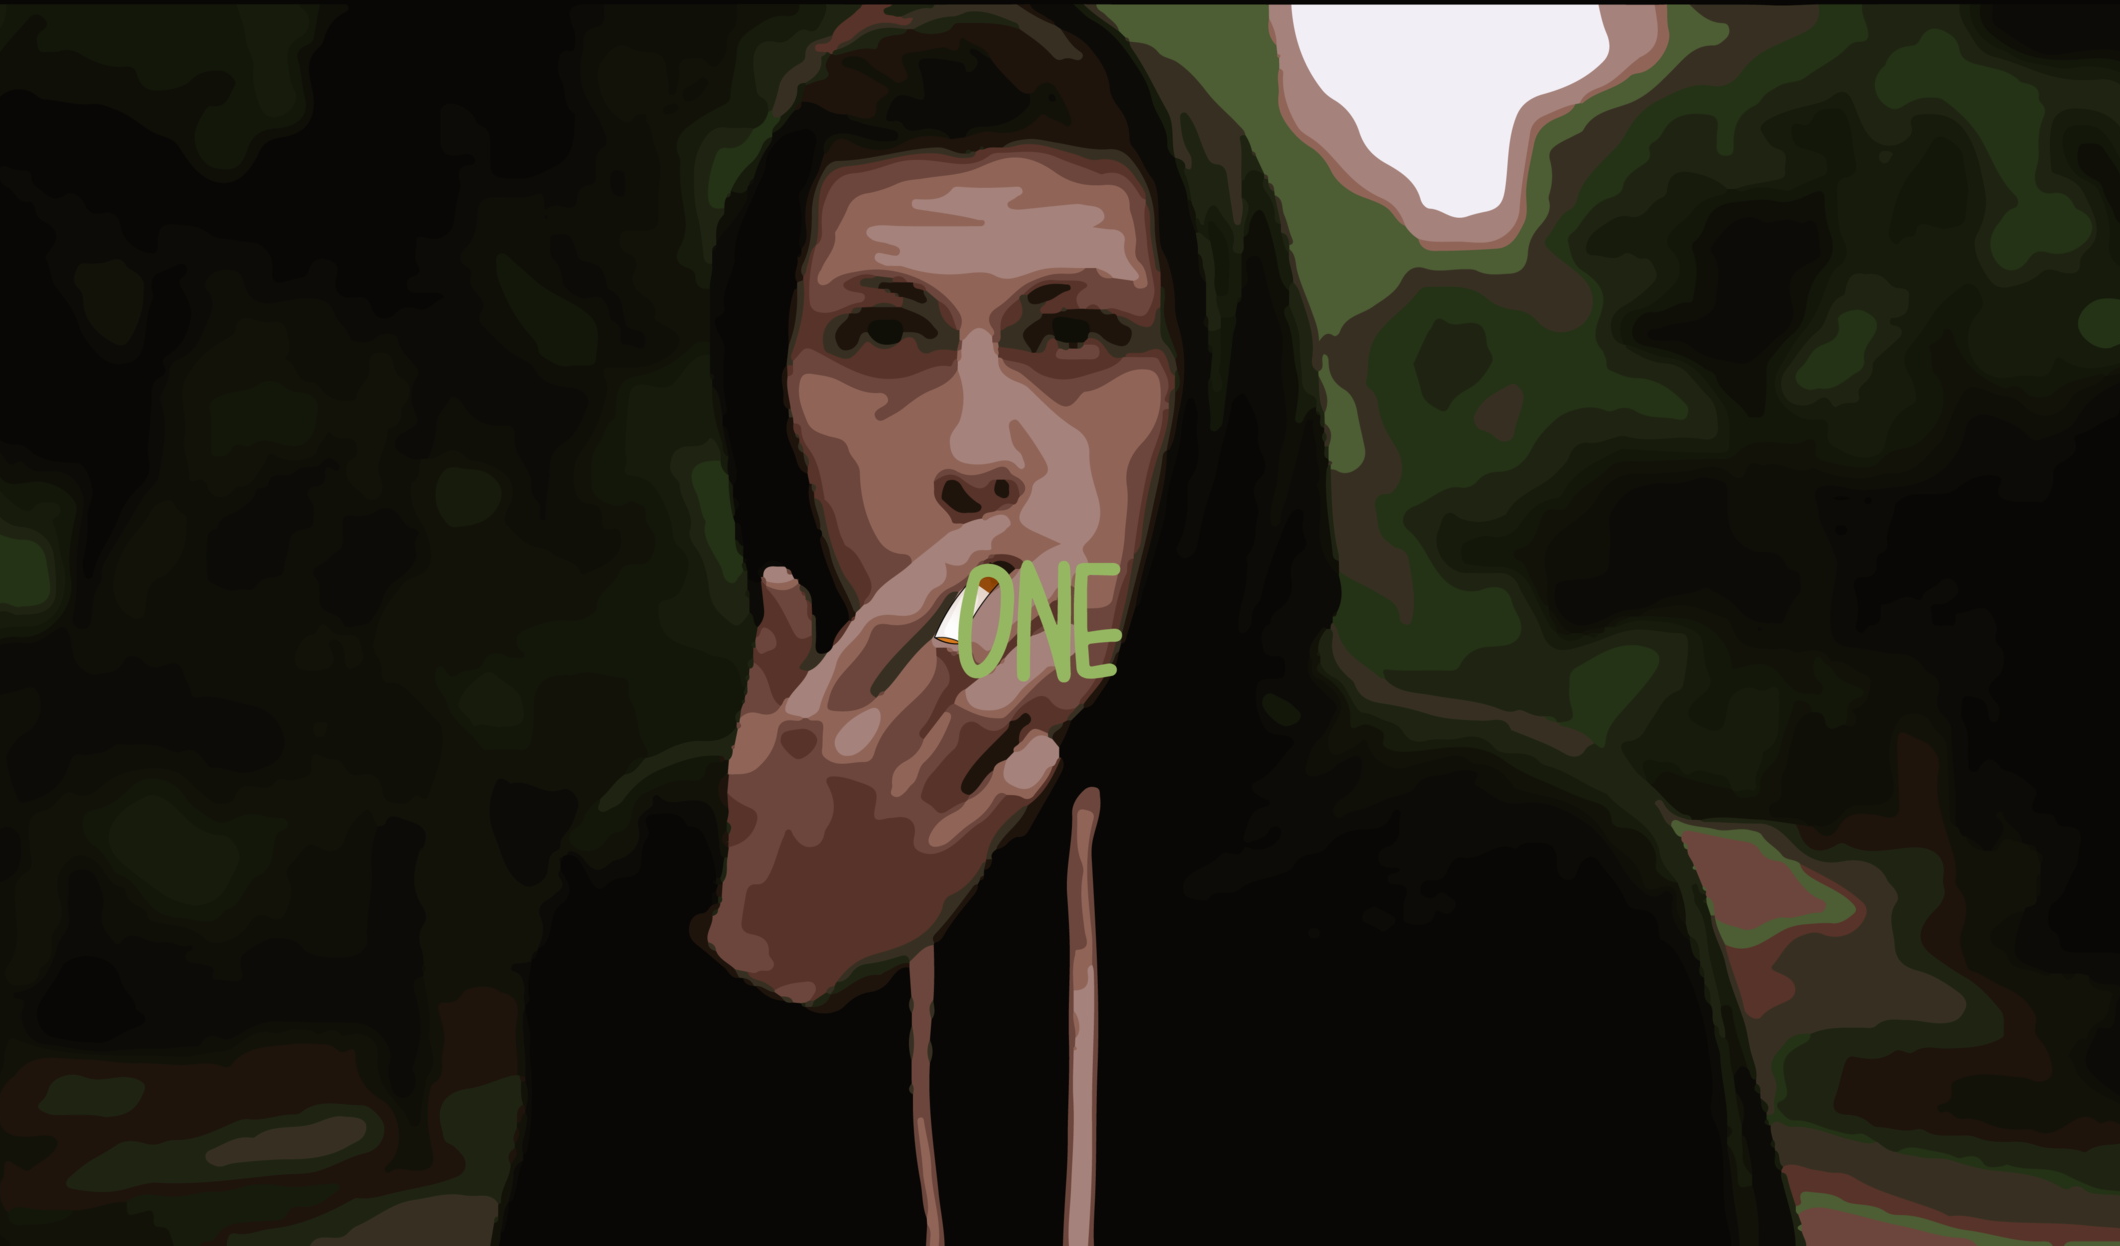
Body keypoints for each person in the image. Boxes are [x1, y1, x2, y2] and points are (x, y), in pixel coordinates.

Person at [514, 8, 1795, 1241]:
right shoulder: (662, 891)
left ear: (1220, 391)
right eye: (884, 332)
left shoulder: (1534, 885)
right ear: (772, 405)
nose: (977, 454)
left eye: (1074, 333)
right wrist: (768, 984)